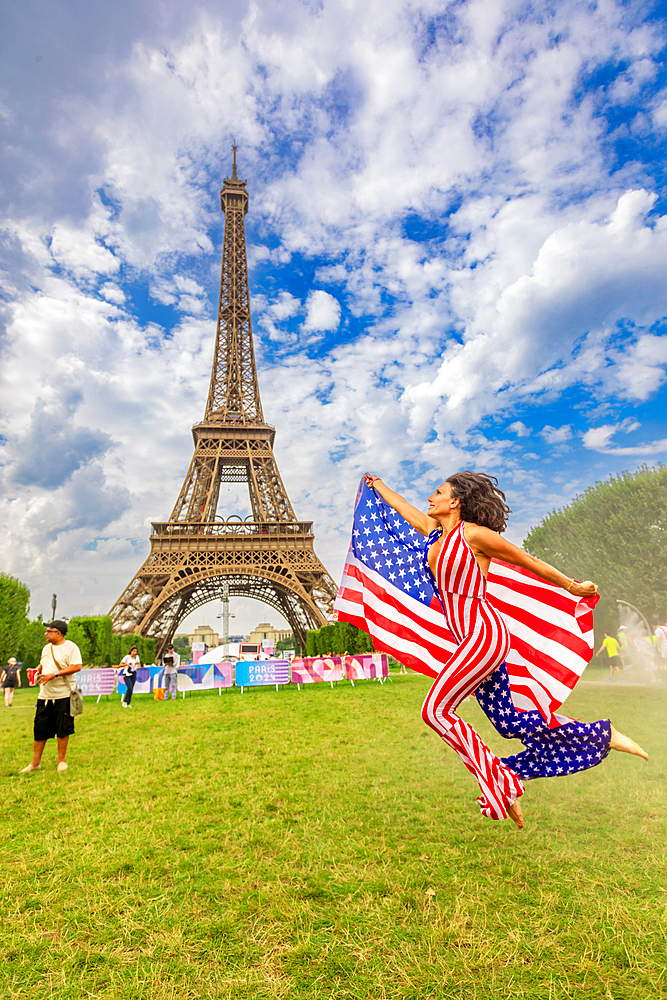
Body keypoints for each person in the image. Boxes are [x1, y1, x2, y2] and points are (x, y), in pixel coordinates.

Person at [363, 472, 648, 829]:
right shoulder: (435, 535)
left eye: (438, 492)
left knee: (435, 711)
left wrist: (574, 587)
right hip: (469, 639)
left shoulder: (474, 535)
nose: (430, 498)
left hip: (484, 635)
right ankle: (600, 736)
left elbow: (527, 560)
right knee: (509, 722)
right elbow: (404, 508)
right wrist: (378, 486)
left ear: (455, 501)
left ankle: (500, 780)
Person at [20, 621, 82, 773]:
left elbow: (77, 666)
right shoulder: (47, 648)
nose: (46, 633)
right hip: (45, 696)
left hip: (64, 695)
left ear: (58, 633)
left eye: (49, 631)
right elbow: (44, 663)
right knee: (39, 729)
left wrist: (54, 674)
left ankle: (61, 760)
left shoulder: (71, 647)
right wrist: (36, 670)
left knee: (63, 729)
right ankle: (35, 763)